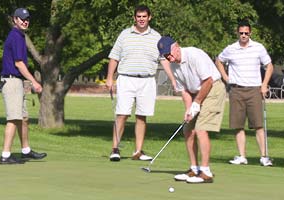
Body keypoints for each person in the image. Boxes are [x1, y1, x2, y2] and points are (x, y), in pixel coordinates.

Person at [106, 5, 175, 162]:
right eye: (139, 16)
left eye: (144, 16)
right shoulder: (124, 35)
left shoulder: (156, 36)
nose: (141, 19)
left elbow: (163, 60)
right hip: (126, 78)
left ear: (149, 17)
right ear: (134, 18)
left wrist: (172, 78)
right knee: (122, 114)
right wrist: (110, 77)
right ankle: (115, 149)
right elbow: (114, 57)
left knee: (142, 116)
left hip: (147, 80)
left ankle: (138, 151)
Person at [157, 36, 226, 183]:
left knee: (201, 129)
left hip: (213, 89)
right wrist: (189, 109)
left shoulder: (194, 54)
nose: (168, 57)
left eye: (169, 53)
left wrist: (197, 103)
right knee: (188, 129)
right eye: (165, 56)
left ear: (176, 46)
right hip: (196, 93)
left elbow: (208, 81)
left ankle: (205, 172)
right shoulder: (173, 65)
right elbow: (184, 90)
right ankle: (194, 169)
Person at [215, 20, 274, 166]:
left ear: (250, 33)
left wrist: (264, 84)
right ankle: (242, 156)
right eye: (241, 33)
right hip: (236, 90)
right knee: (238, 125)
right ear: (237, 33)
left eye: (246, 33)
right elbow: (218, 61)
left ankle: (264, 157)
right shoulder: (231, 49)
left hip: (254, 89)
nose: (243, 35)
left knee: (258, 125)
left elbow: (270, 66)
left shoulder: (258, 48)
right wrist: (225, 77)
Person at [0, 8, 47, 164]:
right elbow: (18, 63)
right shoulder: (16, 36)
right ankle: (5, 155)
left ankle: (25, 151)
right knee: (14, 119)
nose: (25, 21)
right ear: (15, 20)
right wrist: (34, 81)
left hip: (17, 81)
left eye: (27, 19)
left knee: (23, 118)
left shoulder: (21, 36)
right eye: (21, 19)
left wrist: (26, 83)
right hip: (12, 81)